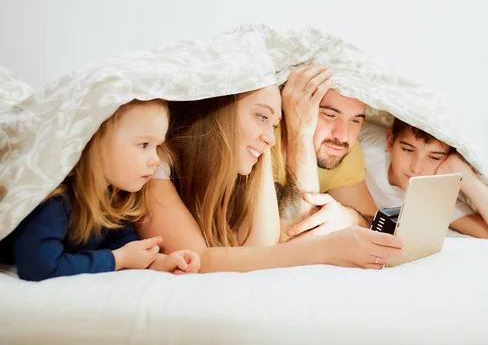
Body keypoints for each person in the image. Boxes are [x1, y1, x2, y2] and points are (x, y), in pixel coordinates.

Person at [139, 85, 403, 272]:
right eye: (261, 116)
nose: (343, 134)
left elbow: (260, 243)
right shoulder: (156, 161)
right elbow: (200, 260)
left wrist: (350, 218)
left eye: (274, 124)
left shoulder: (250, 157)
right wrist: (327, 249)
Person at [0, 99, 201, 281]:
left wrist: (160, 261)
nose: (155, 160)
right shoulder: (54, 199)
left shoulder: (116, 195)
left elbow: (125, 246)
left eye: (157, 146)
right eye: (143, 144)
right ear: (95, 141)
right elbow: (39, 267)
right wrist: (117, 259)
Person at [359, 118, 488, 246]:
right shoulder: (369, 144)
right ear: (390, 141)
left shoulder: (433, 197)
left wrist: (467, 178)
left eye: (434, 157)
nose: (416, 168)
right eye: (407, 149)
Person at [274, 66, 378, 242]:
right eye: (329, 115)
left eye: (355, 120)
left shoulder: (339, 148)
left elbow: (375, 226)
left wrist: (351, 218)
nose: (343, 135)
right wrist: (301, 134)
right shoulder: (264, 141)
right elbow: (290, 242)